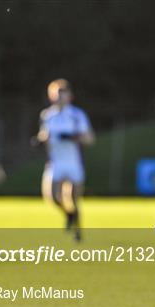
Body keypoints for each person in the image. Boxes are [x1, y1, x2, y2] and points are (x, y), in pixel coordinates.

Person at [34, 79, 95, 241]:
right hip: (55, 161)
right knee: (52, 197)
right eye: (56, 95)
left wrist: (74, 137)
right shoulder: (47, 115)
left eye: (63, 94)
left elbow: (89, 138)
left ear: (70, 96)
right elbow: (44, 135)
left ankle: (78, 232)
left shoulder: (77, 115)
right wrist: (40, 140)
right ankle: (68, 214)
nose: (59, 98)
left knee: (73, 198)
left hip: (73, 161)